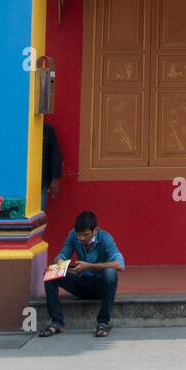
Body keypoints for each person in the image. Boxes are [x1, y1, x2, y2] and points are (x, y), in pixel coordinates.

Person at [38, 211, 125, 339]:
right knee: (50, 272)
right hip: (81, 283)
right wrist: (62, 264)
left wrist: (88, 266)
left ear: (95, 230)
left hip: (100, 287)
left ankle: (103, 322)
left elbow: (120, 265)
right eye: (79, 235)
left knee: (110, 273)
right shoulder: (73, 235)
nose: (82, 238)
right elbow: (61, 255)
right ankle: (56, 322)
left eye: (86, 235)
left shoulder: (106, 238)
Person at [41, 122, 62, 211]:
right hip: (18, 182)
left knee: (39, 214)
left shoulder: (47, 130)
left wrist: (55, 178)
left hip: (41, 182)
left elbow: (55, 155)